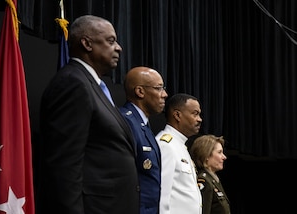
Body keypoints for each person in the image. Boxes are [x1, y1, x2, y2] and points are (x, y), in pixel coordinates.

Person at [37, 15, 139, 214]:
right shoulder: (72, 83)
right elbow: (64, 168)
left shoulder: (94, 86)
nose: (118, 48)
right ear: (87, 43)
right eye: (110, 41)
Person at [119, 66, 168, 214]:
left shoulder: (143, 125)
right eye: (158, 88)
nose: (164, 94)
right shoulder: (125, 122)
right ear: (140, 91)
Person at [155, 93, 203, 214]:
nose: (199, 119)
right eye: (195, 113)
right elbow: (161, 194)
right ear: (177, 115)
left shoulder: (180, 145)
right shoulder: (166, 145)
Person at [189, 134, 231, 214]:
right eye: (219, 152)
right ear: (206, 155)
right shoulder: (204, 181)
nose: (224, 157)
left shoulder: (213, 180)